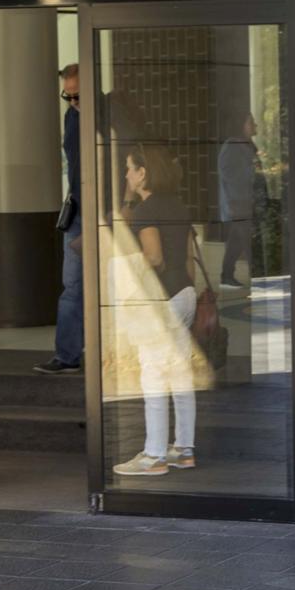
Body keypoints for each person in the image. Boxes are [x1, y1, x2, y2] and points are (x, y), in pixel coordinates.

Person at [111, 144, 198, 477]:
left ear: (143, 173)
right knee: (179, 375)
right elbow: (187, 259)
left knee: (153, 376)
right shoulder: (177, 205)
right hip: (185, 293)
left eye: (130, 168)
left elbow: (154, 258)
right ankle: (183, 449)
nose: (126, 174)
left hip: (162, 300)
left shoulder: (148, 211)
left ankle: (154, 455)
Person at [35, 64, 84, 374]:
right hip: (78, 210)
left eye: (78, 95)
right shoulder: (72, 116)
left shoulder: (107, 114)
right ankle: (67, 356)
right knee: (73, 286)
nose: (73, 101)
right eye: (68, 96)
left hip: (106, 212)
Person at [218, 112, 264, 289]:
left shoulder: (246, 145)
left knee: (237, 241)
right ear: (241, 125)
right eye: (251, 122)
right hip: (238, 203)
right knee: (249, 240)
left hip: (245, 201)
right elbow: (230, 174)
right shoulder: (232, 146)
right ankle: (259, 277)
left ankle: (226, 276)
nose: (254, 125)